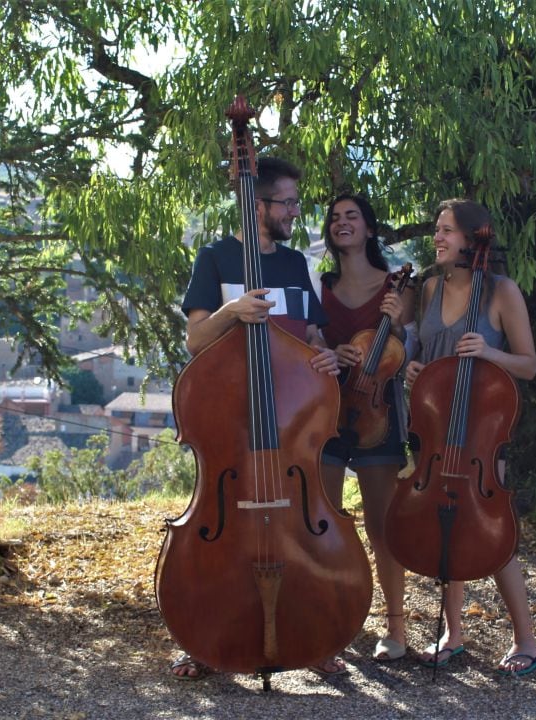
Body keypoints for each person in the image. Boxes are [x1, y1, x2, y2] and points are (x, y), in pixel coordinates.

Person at [169, 157, 343, 680]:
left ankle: (318, 637)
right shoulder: (217, 258)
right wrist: (231, 312)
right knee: (218, 537)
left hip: (290, 425)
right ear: (258, 205)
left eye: (295, 202)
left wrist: (326, 355)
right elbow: (196, 340)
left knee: (306, 528)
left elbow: (311, 337)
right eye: (287, 202)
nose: (295, 211)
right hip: (233, 428)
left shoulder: (293, 265)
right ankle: (205, 642)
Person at [403, 198, 536, 678]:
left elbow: (527, 364)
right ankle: (453, 633)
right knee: (447, 525)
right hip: (435, 430)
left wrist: (489, 351)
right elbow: (423, 353)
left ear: (473, 239)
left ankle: (527, 640)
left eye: (446, 231)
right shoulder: (428, 290)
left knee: (495, 535)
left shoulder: (502, 292)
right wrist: (413, 371)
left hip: (482, 431)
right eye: (438, 230)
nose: (438, 238)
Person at [316, 194, 415, 663]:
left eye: (352, 216)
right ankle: (328, 621)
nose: (342, 223)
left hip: (380, 413)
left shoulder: (396, 289)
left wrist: (399, 324)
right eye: (335, 218)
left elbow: (410, 357)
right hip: (329, 409)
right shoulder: (322, 285)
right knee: (325, 522)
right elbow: (312, 342)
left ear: (370, 229)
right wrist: (335, 353)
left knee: (381, 524)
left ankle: (395, 628)